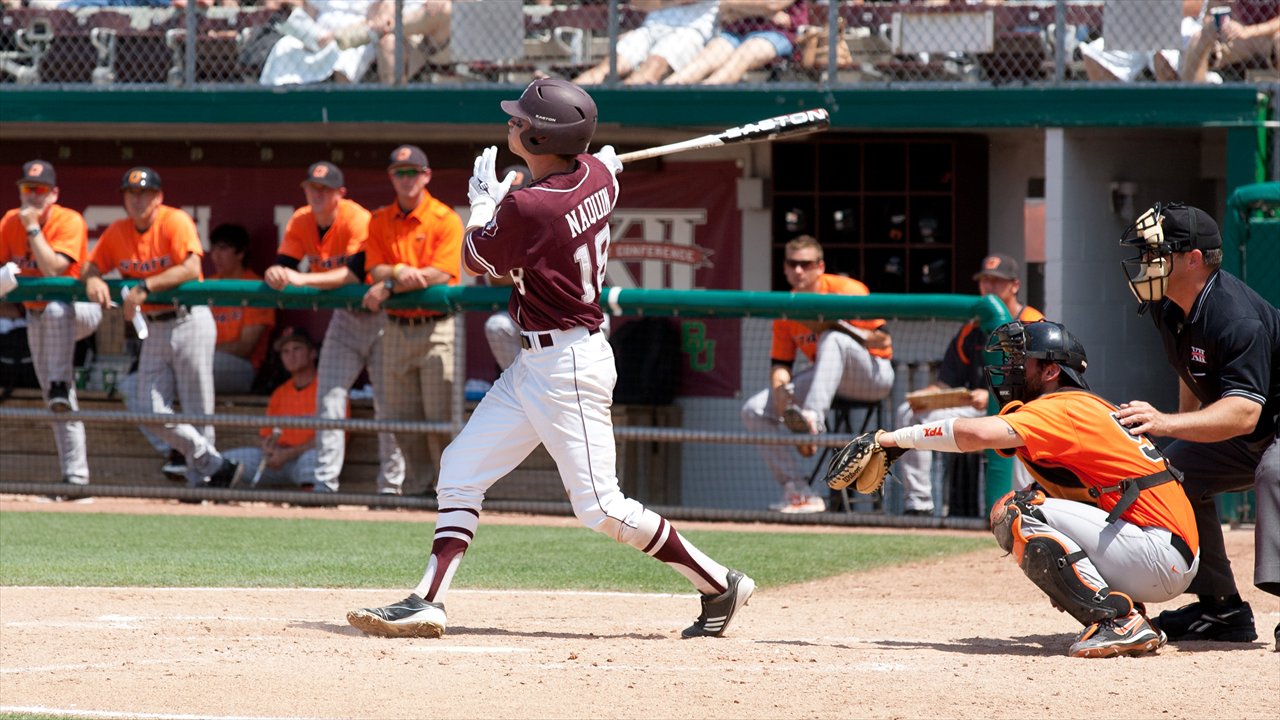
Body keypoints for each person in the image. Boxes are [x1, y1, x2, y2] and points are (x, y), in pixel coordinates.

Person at [347, 78, 754, 640]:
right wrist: (601, 168)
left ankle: (718, 582)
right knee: (461, 469)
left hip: (569, 367)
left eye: (520, 121)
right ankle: (429, 600)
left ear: (542, 137)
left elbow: (473, 257)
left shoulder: (532, 205)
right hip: (535, 363)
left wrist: (483, 202)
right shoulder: (596, 176)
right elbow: (591, 175)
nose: (511, 123)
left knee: (601, 508)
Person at [871, 319, 1200, 658]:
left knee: (1015, 510)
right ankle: (1128, 614)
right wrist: (1067, 578)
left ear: (1050, 371)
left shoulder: (1062, 406)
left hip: (1155, 553)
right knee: (1036, 497)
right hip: (1162, 551)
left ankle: (1119, 620)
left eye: (1021, 360)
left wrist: (896, 440)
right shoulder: (1079, 405)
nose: (1010, 368)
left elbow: (977, 434)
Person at [1116, 202, 1279, 649]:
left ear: (1192, 259)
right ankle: (1221, 608)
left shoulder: (1235, 316)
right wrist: (1176, 433)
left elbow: (1244, 412)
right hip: (1250, 434)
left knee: (1276, 472)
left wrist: (1165, 420)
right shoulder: (1167, 307)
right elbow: (1191, 376)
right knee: (1169, 475)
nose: (1147, 263)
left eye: (1158, 253)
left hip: (1268, 427)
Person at [81, 166, 244, 489]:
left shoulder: (174, 221)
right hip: (154, 327)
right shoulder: (117, 231)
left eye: (144, 193)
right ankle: (214, 464)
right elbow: (89, 265)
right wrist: (94, 278)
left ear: (158, 197)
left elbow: (191, 267)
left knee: (199, 406)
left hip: (189, 320)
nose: (137, 199)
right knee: (149, 408)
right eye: (131, 193)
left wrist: (146, 286)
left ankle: (204, 481)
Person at [264, 160, 405, 495]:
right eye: (312, 187)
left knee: (388, 405)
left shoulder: (357, 217)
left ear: (340, 193)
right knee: (328, 399)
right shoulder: (301, 219)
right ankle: (325, 485)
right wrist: (276, 272)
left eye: (324, 189)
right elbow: (284, 264)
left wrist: (300, 278)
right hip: (345, 317)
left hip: (381, 316)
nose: (316, 194)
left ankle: (391, 488)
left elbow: (354, 274)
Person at [740, 235, 894, 514]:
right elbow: (781, 364)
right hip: (827, 381)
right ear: (785, 268)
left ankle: (812, 420)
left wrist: (838, 327)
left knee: (832, 339)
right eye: (792, 264)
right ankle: (798, 490)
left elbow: (883, 342)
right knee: (754, 410)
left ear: (820, 266)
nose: (799, 270)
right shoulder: (786, 306)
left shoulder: (848, 289)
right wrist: (782, 396)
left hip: (873, 375)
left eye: (806, 264)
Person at [893, 254, 1044, 517]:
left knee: (1022, 435)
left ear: (1014, 285)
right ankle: (919, 505)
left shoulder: (1032, 322)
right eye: (985, 281)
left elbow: (1041, 382)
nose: (989, 288)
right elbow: (945, 381)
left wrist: (994, 396)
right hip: (976, 412)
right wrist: (928, 396)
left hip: (1023, 410)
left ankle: (1025, 509)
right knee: (909, 414)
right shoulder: (972, 327)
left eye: (996, 282)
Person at [360, 144, 463, 495]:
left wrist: (390, 283)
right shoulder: (378, 220)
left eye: (412, 172)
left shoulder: (445, 218)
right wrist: (400, 274)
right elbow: (373, 269)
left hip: (436, 328)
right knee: (402, 421)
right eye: (399, 173)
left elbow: (442, 272)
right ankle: (420, 488)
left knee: (440, 420)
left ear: (426, 175)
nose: (406, 179)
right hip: (396, 329)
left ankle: (452, 489)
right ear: (391, 177)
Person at [0, 160, 102, 497]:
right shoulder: (8, 222)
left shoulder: (68, 219)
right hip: (37, 316)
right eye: (27, 189)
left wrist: (32, 228)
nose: (33, 195)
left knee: (57, 306)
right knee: (56, 400)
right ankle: (75, 479)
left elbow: (55, 271)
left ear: (54, 193)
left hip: (80, 312)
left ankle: (59, 382)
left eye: (40, 190)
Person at [223, 325, 327, 489]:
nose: (290, 356)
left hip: (303, 457)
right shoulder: (280, 392)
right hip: (277, 461)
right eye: (285, 351)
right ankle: (207, 501)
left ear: (312, 353)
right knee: (226, 460)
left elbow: (330, 438)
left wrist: (287, 454)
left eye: (297, 349)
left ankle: (311, 506)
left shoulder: (327, 390)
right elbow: (266, 434)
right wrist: (268, 448)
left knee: (314, 457)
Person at [573, 0, 719, 85]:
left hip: (690, 30)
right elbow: (638, 2)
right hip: (650, 27)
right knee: (609, 66)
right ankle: (563, 106)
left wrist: (659, 3)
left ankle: (621, 109)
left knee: (654, 65)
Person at [663, 0, 804, 85]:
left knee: (743, 55)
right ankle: (663, 95)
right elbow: (723, 5)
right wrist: (764, 11)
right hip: (737, 31)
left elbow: (774, 3)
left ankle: (704, 94)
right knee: (703, 61)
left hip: (777, 33)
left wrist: (742, 8)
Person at [208, 223, 275, 394]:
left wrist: (200, 352)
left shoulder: (257, 287)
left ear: (241, 252)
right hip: (208, 359)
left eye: (223, 249)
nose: (216, 255)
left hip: (243, 367)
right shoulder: (208, 284)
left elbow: (245, 347)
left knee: (197, 366)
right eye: (213, 249)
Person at [259, 0, 381, 85]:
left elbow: (372, 21)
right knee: (284, 45)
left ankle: (342, 104)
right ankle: (278, 98)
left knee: (344, 56)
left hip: (354, 38)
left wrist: (334, 36)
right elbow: (308, 16)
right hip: (319, 37)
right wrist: (308, 35)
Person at [1178, 2, 1280, 82]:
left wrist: (1248, 31)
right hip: (1237, 40)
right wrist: (1221, 26)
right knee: (1198, 38)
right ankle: (1193, 97)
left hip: (1269, 37)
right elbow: (1209, 15)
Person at [370, 0, 451, 84]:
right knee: (389, 42)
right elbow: (374, 10)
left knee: (444, 9)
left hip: (433, 38)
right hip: (401, 38)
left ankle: (391, 27)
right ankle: (395, 95)